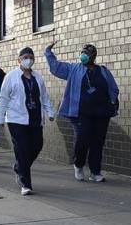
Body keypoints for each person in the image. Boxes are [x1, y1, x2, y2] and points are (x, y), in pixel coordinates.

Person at [45, 41, 119, 182]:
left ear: (93, 56)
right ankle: (78, 164)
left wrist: (112, 100)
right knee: (82, 139)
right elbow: (56, 68)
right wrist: (48, 51)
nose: (84, 55)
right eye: (83, 52)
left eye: (87, 53)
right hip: (80, 113)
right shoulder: (74, 69)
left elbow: (113, 87)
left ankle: (95, 172)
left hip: (101, 113)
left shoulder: (103, 70)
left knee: (98, 142)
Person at [0, 47, 55, 195]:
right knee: (22, 149)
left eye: (30, 57)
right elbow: (3, 97)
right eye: (25, 57)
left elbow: (44, 96)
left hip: (35, 118)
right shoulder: (11, 76)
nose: (28, 60)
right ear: (19, 60)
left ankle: (19, 167)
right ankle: (25, 183)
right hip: (17, 119)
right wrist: (0, 118)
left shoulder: (38, 77)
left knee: (37, 145)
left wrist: (49, 111)